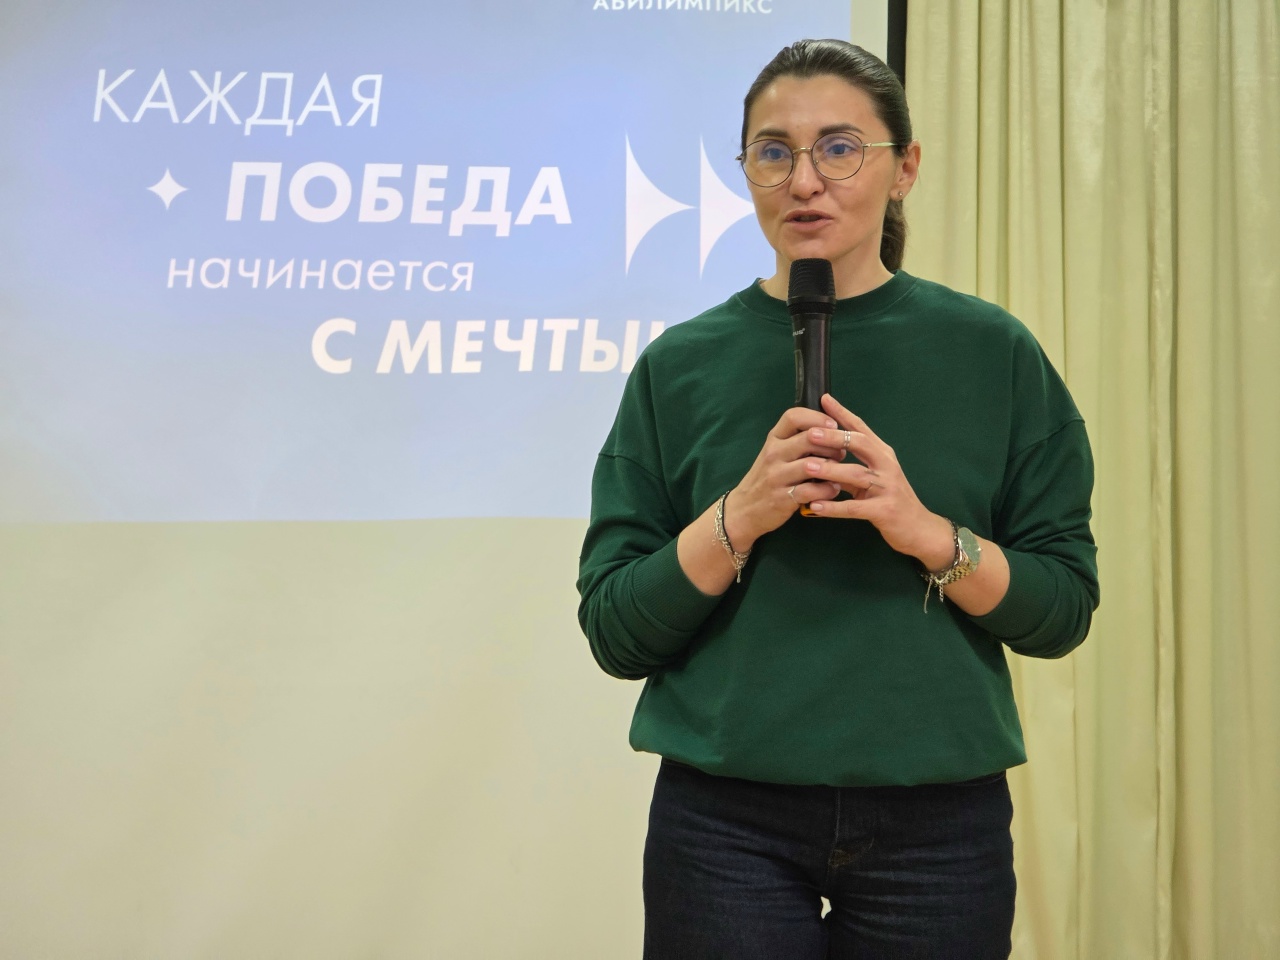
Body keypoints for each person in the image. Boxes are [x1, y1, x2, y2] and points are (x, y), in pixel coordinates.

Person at [577, 38, 1098, 960]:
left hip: (939, 827)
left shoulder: (994, 354)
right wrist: (742, 512)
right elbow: (617, 631)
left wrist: (927, 533)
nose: (804, 180)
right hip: (724, 824)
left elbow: (1060, 611)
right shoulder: (678, 366)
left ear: (906, 168)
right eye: (773, 152)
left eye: (840, 148)